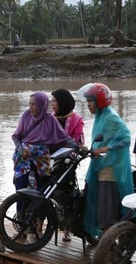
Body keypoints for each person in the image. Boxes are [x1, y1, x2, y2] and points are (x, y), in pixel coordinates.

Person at [78, 83, 134, 238]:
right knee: (99, 209)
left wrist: (107, 148)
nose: (88, 105)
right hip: (101, 168)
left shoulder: (110, 117)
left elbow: (126, 137)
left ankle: (108, 252)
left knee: (106, 213)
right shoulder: (100, 117)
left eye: (90, 101)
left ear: (100, 102)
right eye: (87, 101)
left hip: (110, 172)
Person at [12, 92, 78, 193]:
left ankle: (40, 208)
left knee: (42, 190)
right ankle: (21, 208)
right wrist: (21, 151)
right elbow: (16, 137)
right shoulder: (26, 116)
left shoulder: (50, 119)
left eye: (34, 104)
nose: (31, 108)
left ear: (42, 105)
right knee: (21, 188)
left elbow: (65, 138)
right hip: (24, 158)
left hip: (41, 159)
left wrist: (77, 147)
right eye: (30, 104)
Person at [51, 88, 84, 242]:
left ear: (62, 102)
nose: (52, 104)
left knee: (66, 194)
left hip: (66, 163)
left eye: (55, 101)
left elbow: (79, 142)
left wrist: (76, 149)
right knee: (44, 192)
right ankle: (38, 225)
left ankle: (67, 229)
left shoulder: (76, 120)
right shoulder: (50, 118)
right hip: (48, 160)